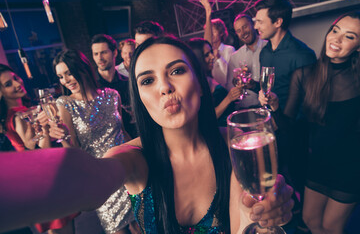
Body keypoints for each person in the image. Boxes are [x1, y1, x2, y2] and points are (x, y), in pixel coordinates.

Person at [0, 36, 294, 234]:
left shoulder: (233, 147)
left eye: (177, 71)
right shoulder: (134, 158)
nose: (164, 87)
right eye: (148, 80)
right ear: (139, 97)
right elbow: (87, 176)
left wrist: (266, 215)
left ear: (200, 82)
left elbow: (244, 222)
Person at [259, 11, 360, 234]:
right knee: (310, 219)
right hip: (318, 164)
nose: (337, 39)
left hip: (350, 167)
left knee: (332, 227)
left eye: (350, 36)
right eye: (335, 30)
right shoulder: (304, 75)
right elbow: (287, 126)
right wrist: (274, 107)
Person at [49, 49, 136, 234]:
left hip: (129, 170)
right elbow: (73, 152)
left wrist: (140, 154)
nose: (65, 80)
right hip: (102, 180)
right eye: (61, 77)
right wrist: (61, 136)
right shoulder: (65, 104)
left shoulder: (112, 95)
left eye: (69, 73)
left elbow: (122, 132)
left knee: (145, 227)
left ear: (83, 68)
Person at [254, 0, 316, 110]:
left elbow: (309, 104)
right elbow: (266, 88)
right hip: (268, 119)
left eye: (260, 22)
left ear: (278, 22)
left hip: (292, 124)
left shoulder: (302, 55)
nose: (255, 26)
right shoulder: (264, 52)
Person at [91, 34, 137, 138]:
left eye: (103, 52)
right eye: (96, 54)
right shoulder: (92, 87)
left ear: (115, 53)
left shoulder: (128, 83)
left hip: (132, 139)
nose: (100, 58)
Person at [187, 38, 241, 127]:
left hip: (233, 126)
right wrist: (228, 98)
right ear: (197, 58)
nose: (212, 56)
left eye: (211, 52)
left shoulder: (208, 76)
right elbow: (206, 118)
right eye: (207, 55)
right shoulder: (195, 85)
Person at [0, 64, 50, 151]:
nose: (17, 84)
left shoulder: (23, 111)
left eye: (15, 78)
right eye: (8, 84)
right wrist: (45, 128)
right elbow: (40, 152)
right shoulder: (19, 117)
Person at [227, 13, 267, 108]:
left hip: (269, 106)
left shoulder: (269, 48)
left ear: (253, 25)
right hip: (246, 110)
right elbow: (230, 87)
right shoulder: (234, 57)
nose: (243, 32)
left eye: (245, 27)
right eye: (239, 31)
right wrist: (237, 83)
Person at [199, 0, 235, 88]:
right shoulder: (207, 52)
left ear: (221, 33)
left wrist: (219, 58)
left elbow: (230, 75)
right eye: (209, 32)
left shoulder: (229, 50)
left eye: (213, 32)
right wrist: (208, 12)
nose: (211, 34)